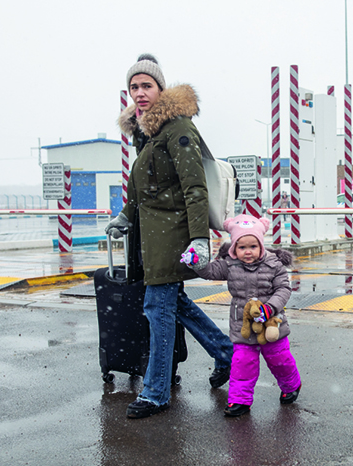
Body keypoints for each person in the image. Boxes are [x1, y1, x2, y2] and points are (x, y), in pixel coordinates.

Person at [106, 53, 233, 419]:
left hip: (173, 235)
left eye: (147, 85)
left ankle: (156, 391)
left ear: (161, 88)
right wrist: (123, 216)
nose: (140, 93)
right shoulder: (146, 133)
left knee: (157, 309)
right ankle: (225, 352)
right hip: (151, 237)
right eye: (134, 87)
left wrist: (199, 239)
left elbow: (195, 188)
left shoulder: (178, 128)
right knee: (174, 304)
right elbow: (141, 190)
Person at [185, 214, 301, 417]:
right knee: (242, 364)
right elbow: (210, 272)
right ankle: (240, 401)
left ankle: (291, 385)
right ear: (234, 249)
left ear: (261, 246)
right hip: (243, 326)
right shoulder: (230, 265)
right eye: (242, 247)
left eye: (253, 247)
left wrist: (270, 308)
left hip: (272, 324)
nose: (248, 252)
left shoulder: (274, 265)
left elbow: (283, 289)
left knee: (279, 359)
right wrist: (197, 262)